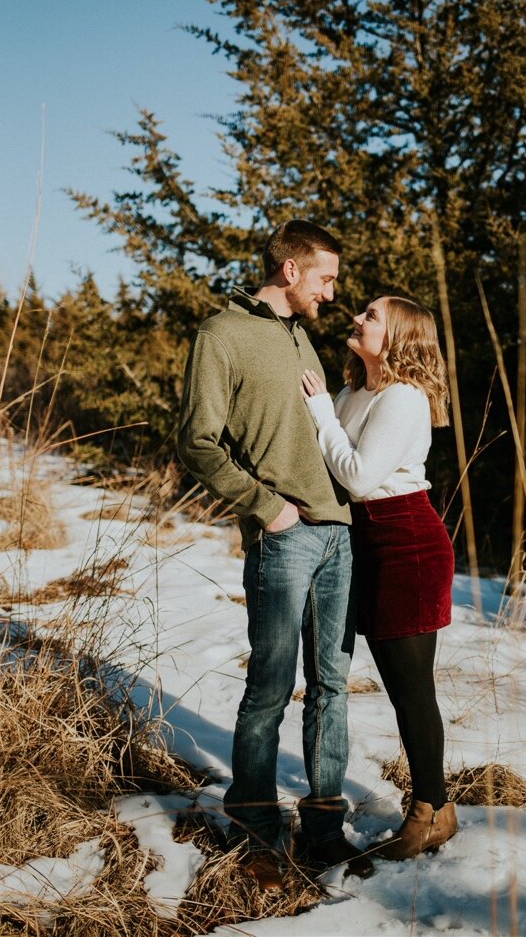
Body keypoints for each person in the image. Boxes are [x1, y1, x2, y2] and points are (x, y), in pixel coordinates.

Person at [177, 220, 370, 885]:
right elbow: (197, 441)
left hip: (338, 537)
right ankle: (255, 826)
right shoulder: (220, 335)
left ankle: (323, 828)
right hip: (283, 537)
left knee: (332, 688)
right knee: (269, 688)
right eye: (326, 277)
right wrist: (268, 507)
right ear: (290, 270)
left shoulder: (304, 339)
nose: (333, 290)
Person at [300, 294, 459, 860]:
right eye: (362, 311)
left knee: (412, 690)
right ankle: (438, 804)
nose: (358, 319)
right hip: (364, 543)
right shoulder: (351, 392)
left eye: (372, 316)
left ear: (398, 336)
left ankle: (430, 811)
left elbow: (361, 477)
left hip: (407, 543)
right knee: (397, 687)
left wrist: (320, 414)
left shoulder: (404, 398)